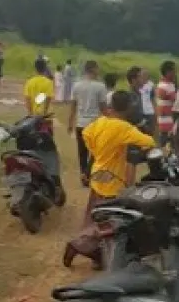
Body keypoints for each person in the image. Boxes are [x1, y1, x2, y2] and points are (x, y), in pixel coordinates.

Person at [63, 90, 156, 269]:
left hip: (98, 173)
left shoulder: (100, 122)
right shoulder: (124, 128)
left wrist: (97, 152)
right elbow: (149, 142)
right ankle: (79, 246)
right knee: (110, 222)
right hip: (113, 179)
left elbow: (86, 134)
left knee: (95, 216)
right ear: (128, 108)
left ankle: (96, 255)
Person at [68, 60, 108, 187]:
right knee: (96, 152)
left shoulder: (76, 86)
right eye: (97, 68)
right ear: (93, 69)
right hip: (95, 124)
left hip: (80, 123)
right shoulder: (100, 87)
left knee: (82, 151)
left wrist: (70, 122)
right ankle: (87, 173)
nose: (99, 71)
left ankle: (83, 174)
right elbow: (103, 107)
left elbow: (73, 106)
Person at [155, 60, 177, 148]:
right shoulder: (165, 86)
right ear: (168, 72)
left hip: (166, 120)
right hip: (166, 121)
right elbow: (175, 99)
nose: (175, 73)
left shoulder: (167, 84)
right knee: (166, 145)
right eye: (174, 71)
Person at [140, 69, 156, 135]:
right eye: (142, 75)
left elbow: (153, 98)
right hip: (140, 112)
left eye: (146, 75)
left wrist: (155, 111)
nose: (144, 76)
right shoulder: (138, 84)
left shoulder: (151, 85)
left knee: (150, 131)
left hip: (149, 112)